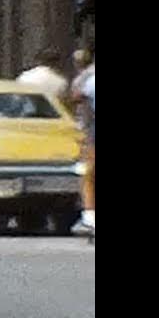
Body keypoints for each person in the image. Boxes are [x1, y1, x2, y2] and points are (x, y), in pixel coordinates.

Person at [70, 48, 95, 235]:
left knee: (90, 174)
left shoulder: (90, 79)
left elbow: (77, 97)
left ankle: (89, 216)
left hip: (92, 130)